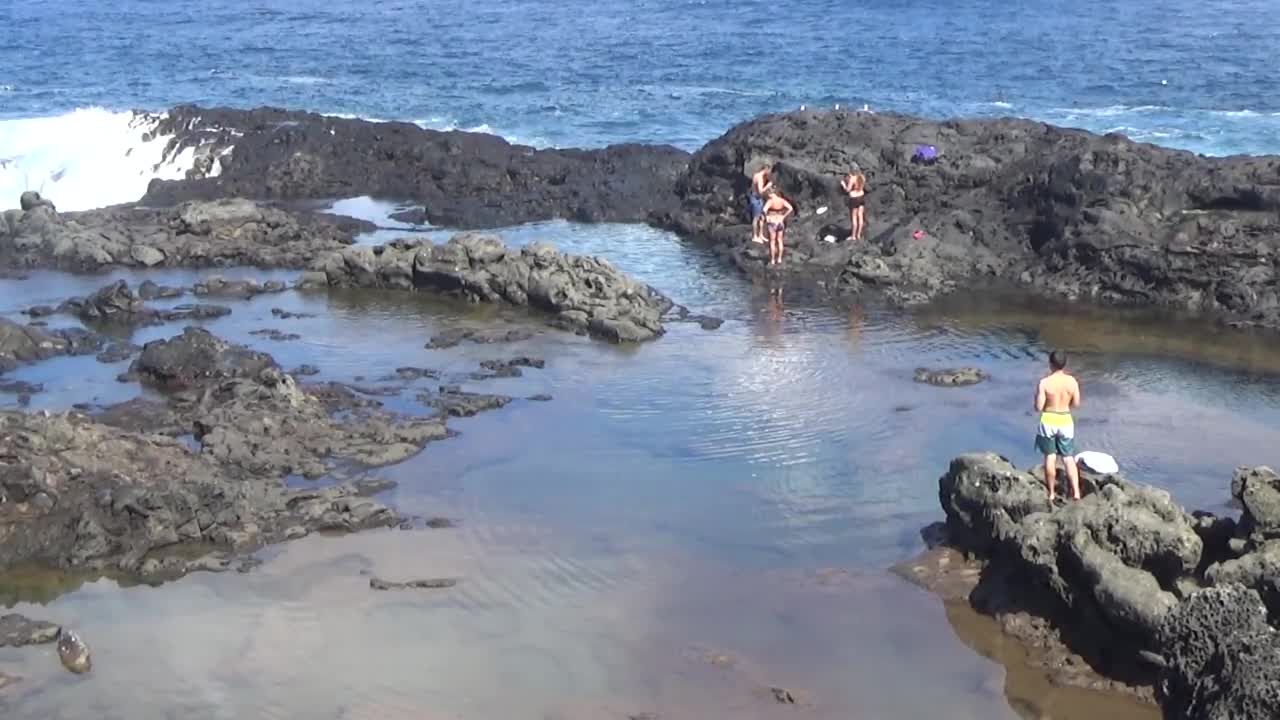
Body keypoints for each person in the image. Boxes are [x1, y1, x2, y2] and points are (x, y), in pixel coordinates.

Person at [1035, 350, 1082, 501]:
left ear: (1050, 364)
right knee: (1068, 458)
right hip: (1065, 420)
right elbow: (1076, 403)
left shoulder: (1044, 383)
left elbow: (1038, 407)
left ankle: (1051, 493)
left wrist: (1037, 398)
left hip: (1048, 420)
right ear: (1064, 364)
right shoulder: (1072, 381)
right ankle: (1076, 492)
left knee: (1050, 457)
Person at [761, 189, 793, 267]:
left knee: (772, 241)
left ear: (770, 194)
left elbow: (764, 210)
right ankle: (779, 259)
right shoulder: (782, 201)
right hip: (780, 222)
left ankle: (772, 260)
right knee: (780, 240)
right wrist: (784, 216)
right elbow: (790, 208)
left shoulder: (770, 201)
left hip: (772, 222)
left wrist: (767, 217)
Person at [748, 165, 774, 243]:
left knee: (762, 217)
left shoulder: (757, 175)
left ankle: (761, 235)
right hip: (756, 199)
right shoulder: (759, 177)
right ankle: (755, 236)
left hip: (758, 198)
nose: (769, 173)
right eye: (769, 171)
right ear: (766, 169)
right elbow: (760, 191)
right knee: (756, 218)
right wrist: (768, 186)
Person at [840, 172, 867, 241]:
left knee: (854, 218)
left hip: (854, 199)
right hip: (861, 197)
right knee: (860, 216)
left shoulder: (852, 179)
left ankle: (853, 236)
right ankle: (858, 235)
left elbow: (847, 190)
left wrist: (844, 185)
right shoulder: (861, 177)